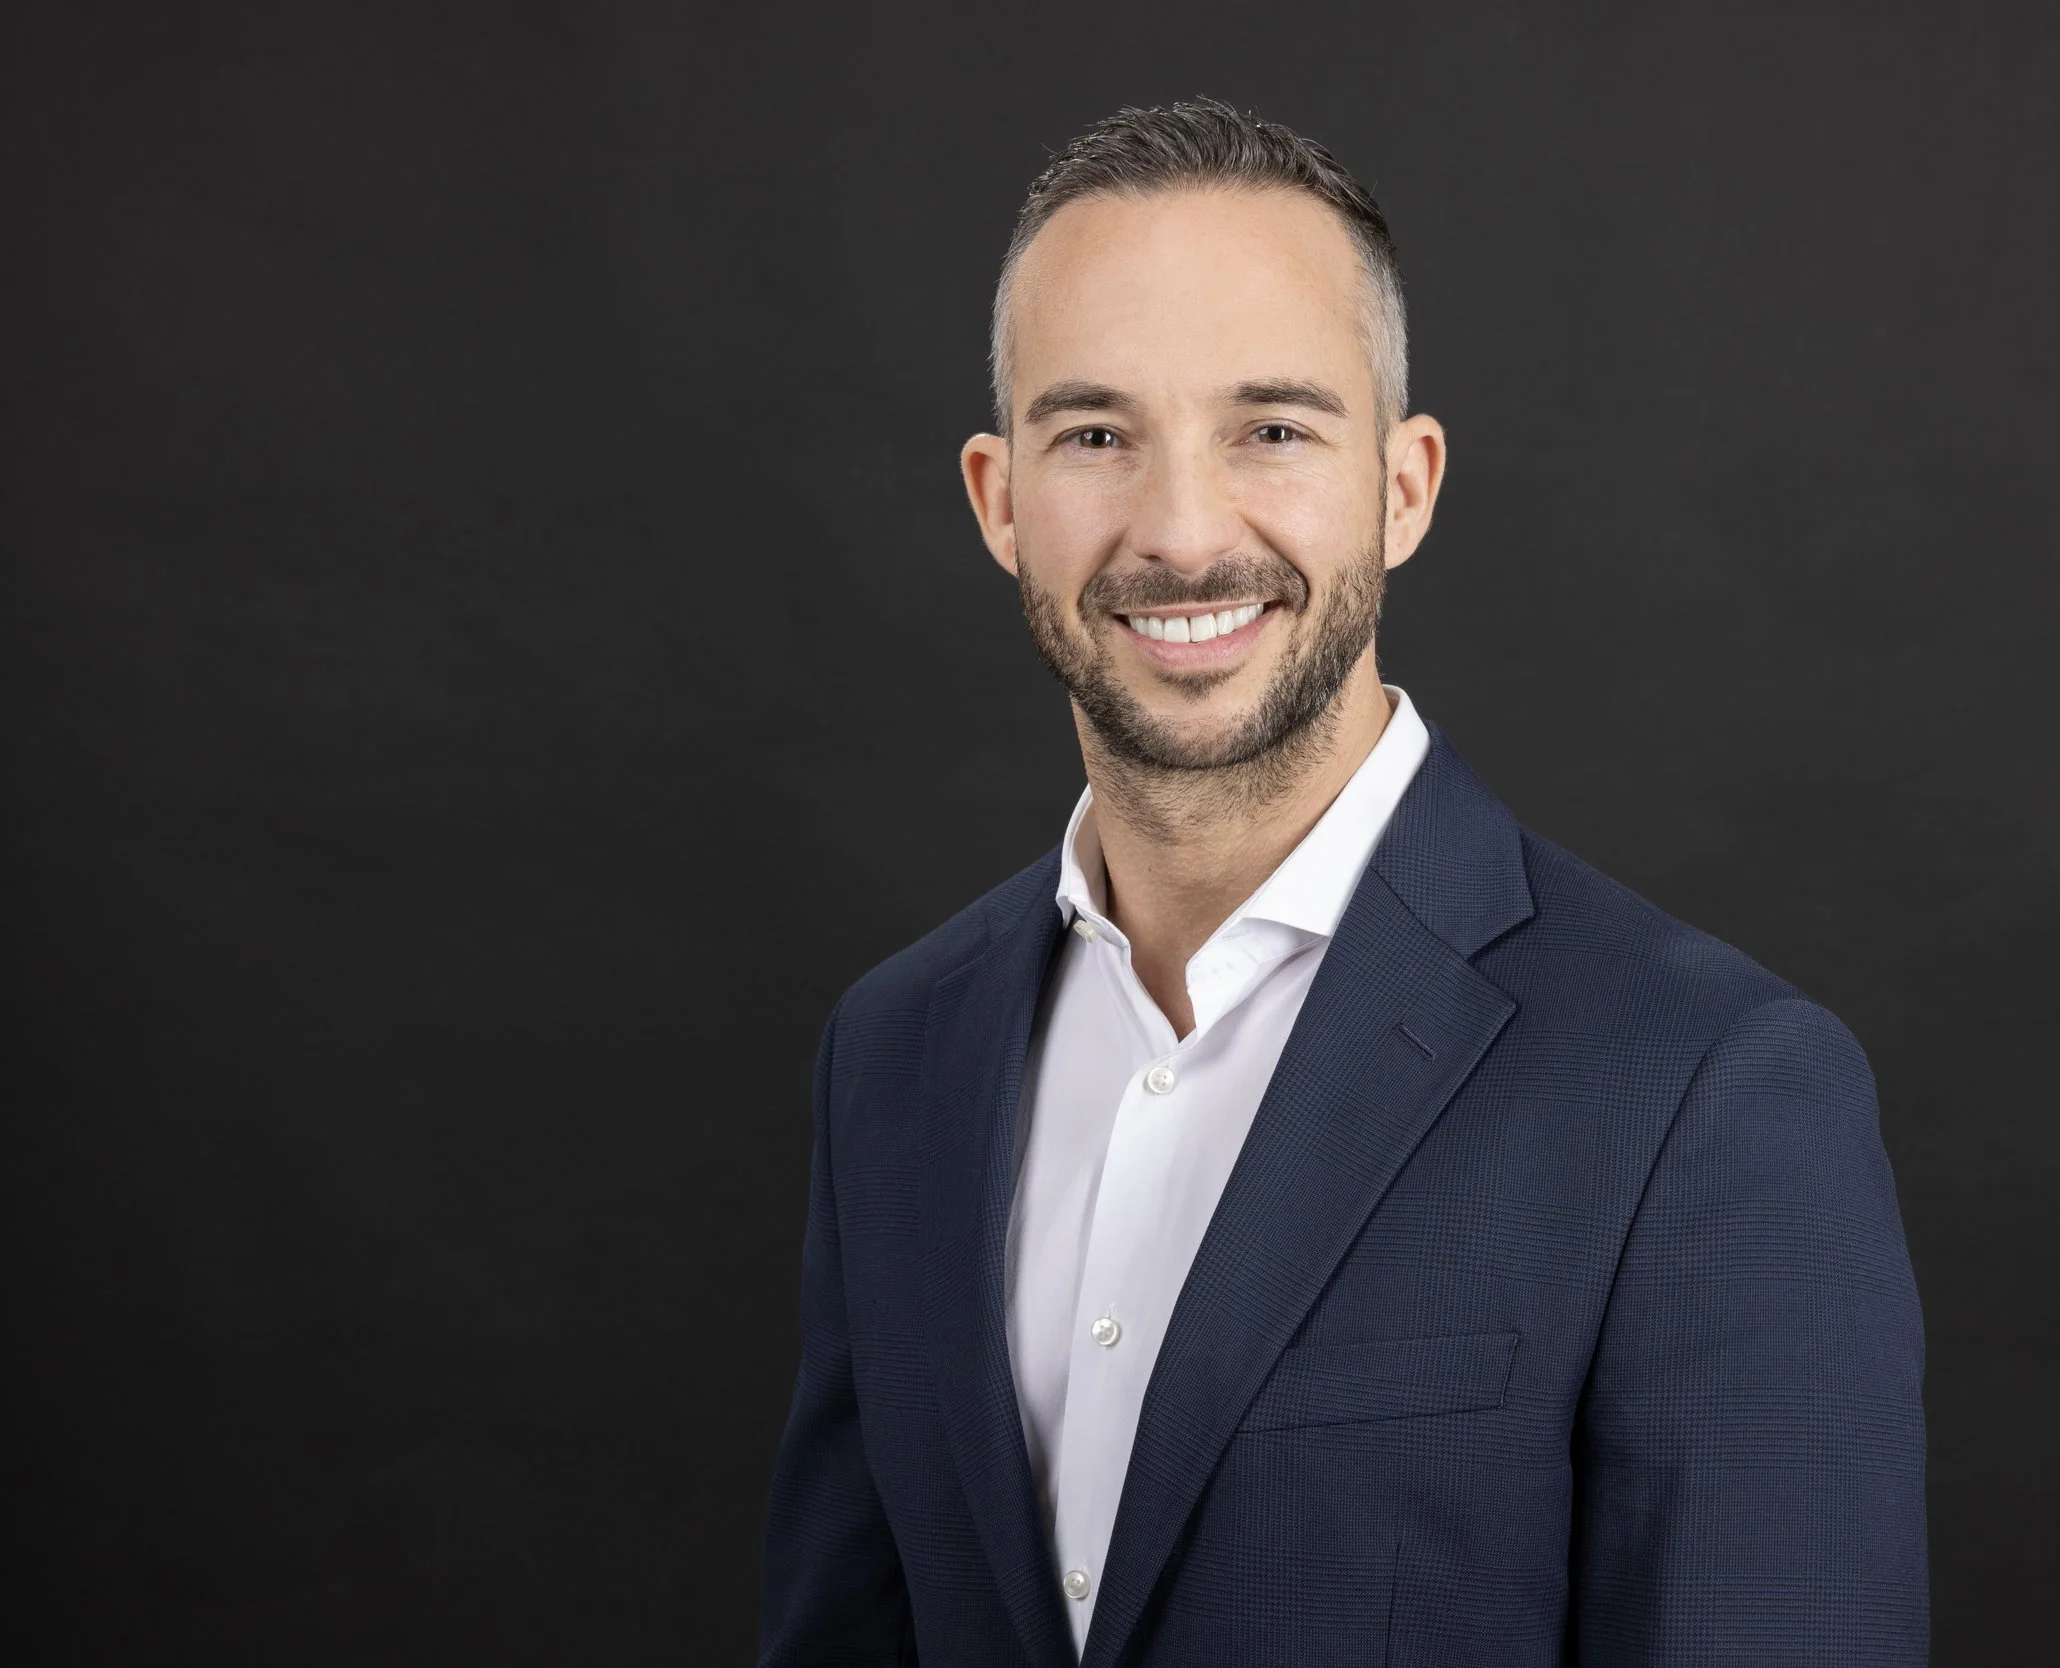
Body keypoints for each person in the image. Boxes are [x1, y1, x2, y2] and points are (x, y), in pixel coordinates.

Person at [758, 99, 1926, 1667]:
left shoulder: (1706, 1087)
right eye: (1096, 435)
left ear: (1404, 486)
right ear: (1000, 501)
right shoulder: (894, 1057)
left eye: (1273, 429)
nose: (1182, 534)